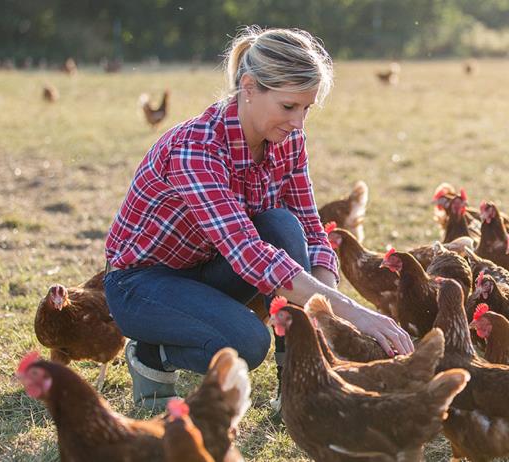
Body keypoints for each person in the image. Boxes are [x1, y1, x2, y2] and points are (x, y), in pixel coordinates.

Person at [103, 26, 412, 409]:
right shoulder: (195, 149)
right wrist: (353, 312)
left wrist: (326, 311)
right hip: (142, 284)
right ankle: (152, 356)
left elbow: (312, 233)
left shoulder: (288, 140)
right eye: (288, 107)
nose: (298, 122)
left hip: (209, 267)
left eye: (306, 108)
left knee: (282, 224)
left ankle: (299, 385)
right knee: (246, 342)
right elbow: (248, 252)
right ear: (249, 87)